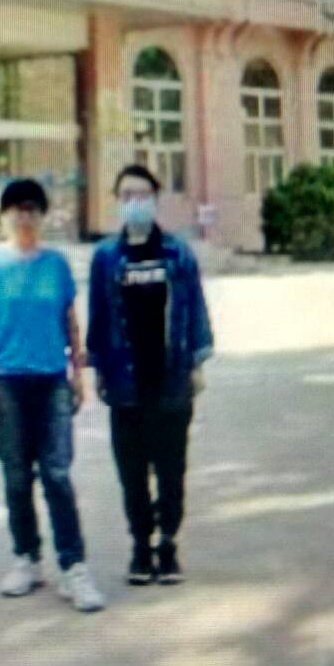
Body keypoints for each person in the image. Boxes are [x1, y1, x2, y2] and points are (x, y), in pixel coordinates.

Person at [0, 179, 104, 612]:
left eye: (32, 208)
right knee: (16, 475)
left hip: (51, 382)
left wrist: (78, 374)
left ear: (42, 215)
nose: (24, 215)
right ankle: (26, 557)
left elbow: (69, 320)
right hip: (5, 380)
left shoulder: (56, 264)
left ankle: (73, 566)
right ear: (4, 215)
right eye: (16, 208)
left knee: (57, 474)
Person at [86, 164, 213, 587]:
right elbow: (98, 316)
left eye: (142, 195)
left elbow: (195, 308)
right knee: (132, 471)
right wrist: (98, 368)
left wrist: (196, 364)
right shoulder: (106, 257)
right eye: (126, 196)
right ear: (117, 202)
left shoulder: (178, 253)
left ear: (156, 200)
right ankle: (141, 546)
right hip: (125, 383)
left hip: (171, 379)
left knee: (171, 469)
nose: (134, 203)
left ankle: (168, 545)